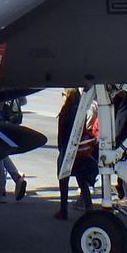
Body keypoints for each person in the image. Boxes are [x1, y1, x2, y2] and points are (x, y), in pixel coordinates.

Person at [53, 87, 99, 220]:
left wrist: (61, 149)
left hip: (67, 148)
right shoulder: (80, 110)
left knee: (63, 179)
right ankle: (89, 206)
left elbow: (61, 134)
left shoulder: (65, 111)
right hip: (79, 149)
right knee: (81, 179)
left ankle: (63, 209)